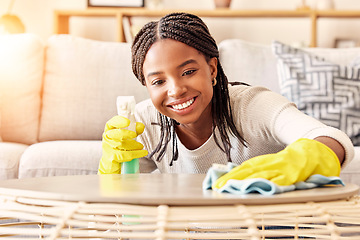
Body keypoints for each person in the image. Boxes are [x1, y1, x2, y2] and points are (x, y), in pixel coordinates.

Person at [98, 12, 354, 188]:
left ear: (212, 69)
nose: (175, 90)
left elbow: (330, 137)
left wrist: (305, 156)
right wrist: (111, 173)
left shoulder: (252, 106)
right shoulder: (144, 122)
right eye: (158, 82)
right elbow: (115, 212)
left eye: (188, 72)